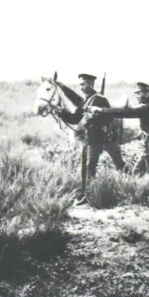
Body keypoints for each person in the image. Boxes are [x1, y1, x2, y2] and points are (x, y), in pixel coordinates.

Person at [53, 73, 126, 204]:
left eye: (84, 84)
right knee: (85, 167)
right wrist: (61, 112)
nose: (81, 86)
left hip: (101, 138)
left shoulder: (100, 99)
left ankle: (92, 195)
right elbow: (75, 119)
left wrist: (94, 117)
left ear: (91, 84)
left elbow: (109, 117)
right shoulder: (86, 100)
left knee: (95, 166)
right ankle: (85, 193)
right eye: (80, 84)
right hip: (89, 139)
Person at [85, 82, 149, 174]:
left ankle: (137, 190)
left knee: (137, 173)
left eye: (138, 93)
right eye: (136, 93)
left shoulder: (144, 108)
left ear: (147, 94)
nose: (136, 96)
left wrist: (101, 110)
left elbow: (125, 112)